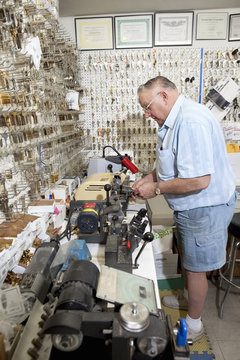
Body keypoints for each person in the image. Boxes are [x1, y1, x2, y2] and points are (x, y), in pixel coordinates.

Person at [132, 75, 237, 343]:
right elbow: (173, 160)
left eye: (147, 107)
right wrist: (150, 177)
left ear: (164, 96)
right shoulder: (175, 119)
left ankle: (195, 323)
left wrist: (155, 190)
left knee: (195, 267)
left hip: (204, 208)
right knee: (190, 262)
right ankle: (187, 300)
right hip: (192, 208)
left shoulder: (190, 121)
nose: (147, 114)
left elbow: (199, 180)